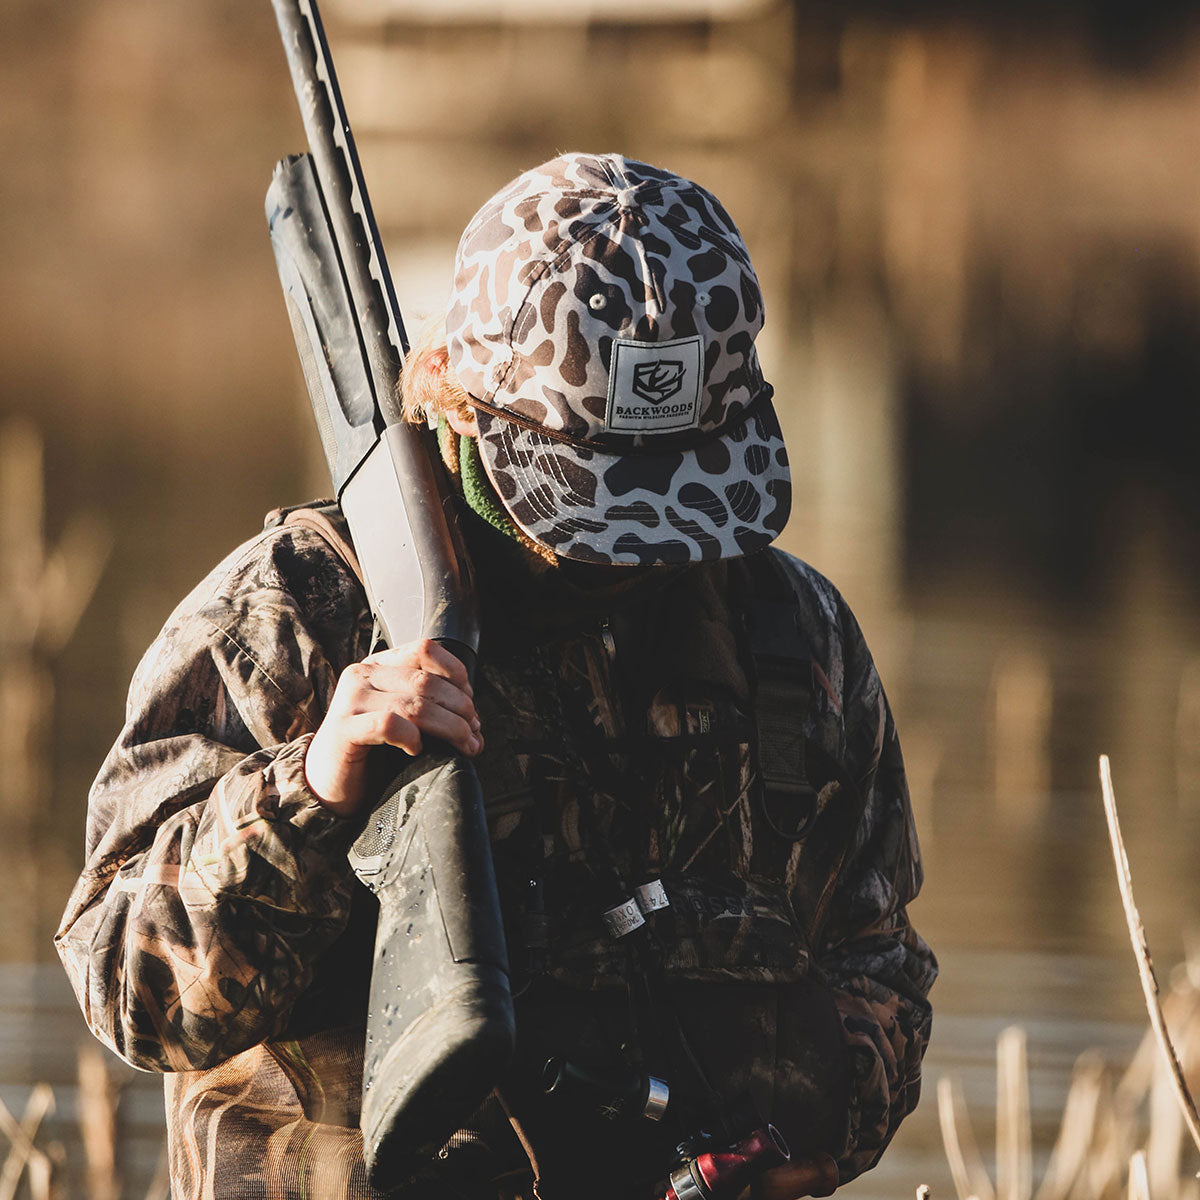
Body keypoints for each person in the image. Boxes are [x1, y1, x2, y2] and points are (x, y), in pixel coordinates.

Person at [56, 153, 935, 1200]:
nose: (637, 549)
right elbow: (128, 988)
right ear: (460, 407)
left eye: (672, 492)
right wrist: (309, 793)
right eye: (597, 495)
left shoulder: (795, 639)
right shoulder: (291, 618)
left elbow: (880, 966)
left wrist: (821, 1125)